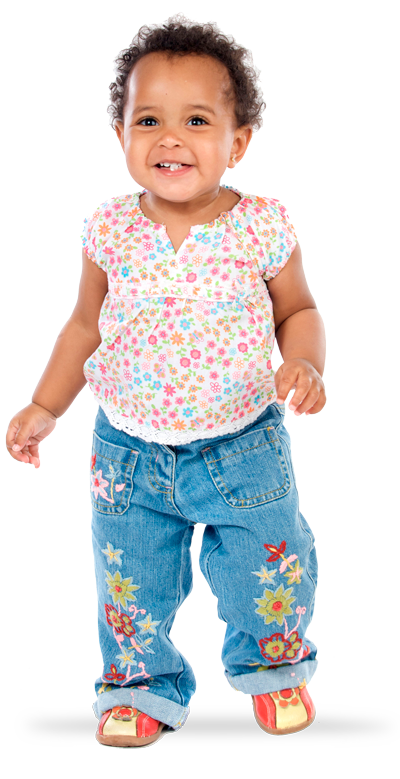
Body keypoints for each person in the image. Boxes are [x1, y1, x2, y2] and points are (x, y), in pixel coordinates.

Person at [5, 14, 326, 748]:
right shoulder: (109, 228)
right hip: (127, 451)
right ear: (119, 134)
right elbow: (84, 326)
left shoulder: (262, 226)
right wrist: (44, 405)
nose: (169, 138)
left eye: (197, 121)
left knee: (268, 566)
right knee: (130, 579)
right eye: (148, 119)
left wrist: (306, 363)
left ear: (237, 142)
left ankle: (275, 667)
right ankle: (138, 683)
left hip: (244, 445)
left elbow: (299, 310)